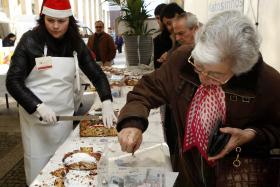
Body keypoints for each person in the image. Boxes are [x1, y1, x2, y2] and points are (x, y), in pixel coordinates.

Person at [116, 11, 280, 186]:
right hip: (188, 174)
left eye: (216, 74)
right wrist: (133, 122)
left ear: (240, 69)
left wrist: (250, 135)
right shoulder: (183, 60)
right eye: (199, 66)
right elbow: (146, 90)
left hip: (237, 177)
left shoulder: (268, 83)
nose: (203, 78)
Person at [6, 0, 116, 185]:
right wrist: (37, 106)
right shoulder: (30, 40)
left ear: (70, 21)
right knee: (38, 169)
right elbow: (13, 81)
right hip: (35, 120)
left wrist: (106, 100)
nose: (56, 26)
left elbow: (96, 73)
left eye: (62, 21)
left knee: (65, 167)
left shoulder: (75, 43)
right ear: (42, 19)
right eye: (50, 21)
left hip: (64, 118)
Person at [154, 3, 184, 67]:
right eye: (166, 25)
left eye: (169, 23)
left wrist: (171, 53)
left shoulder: (196, 32)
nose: (169, 28)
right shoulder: (159, 39)